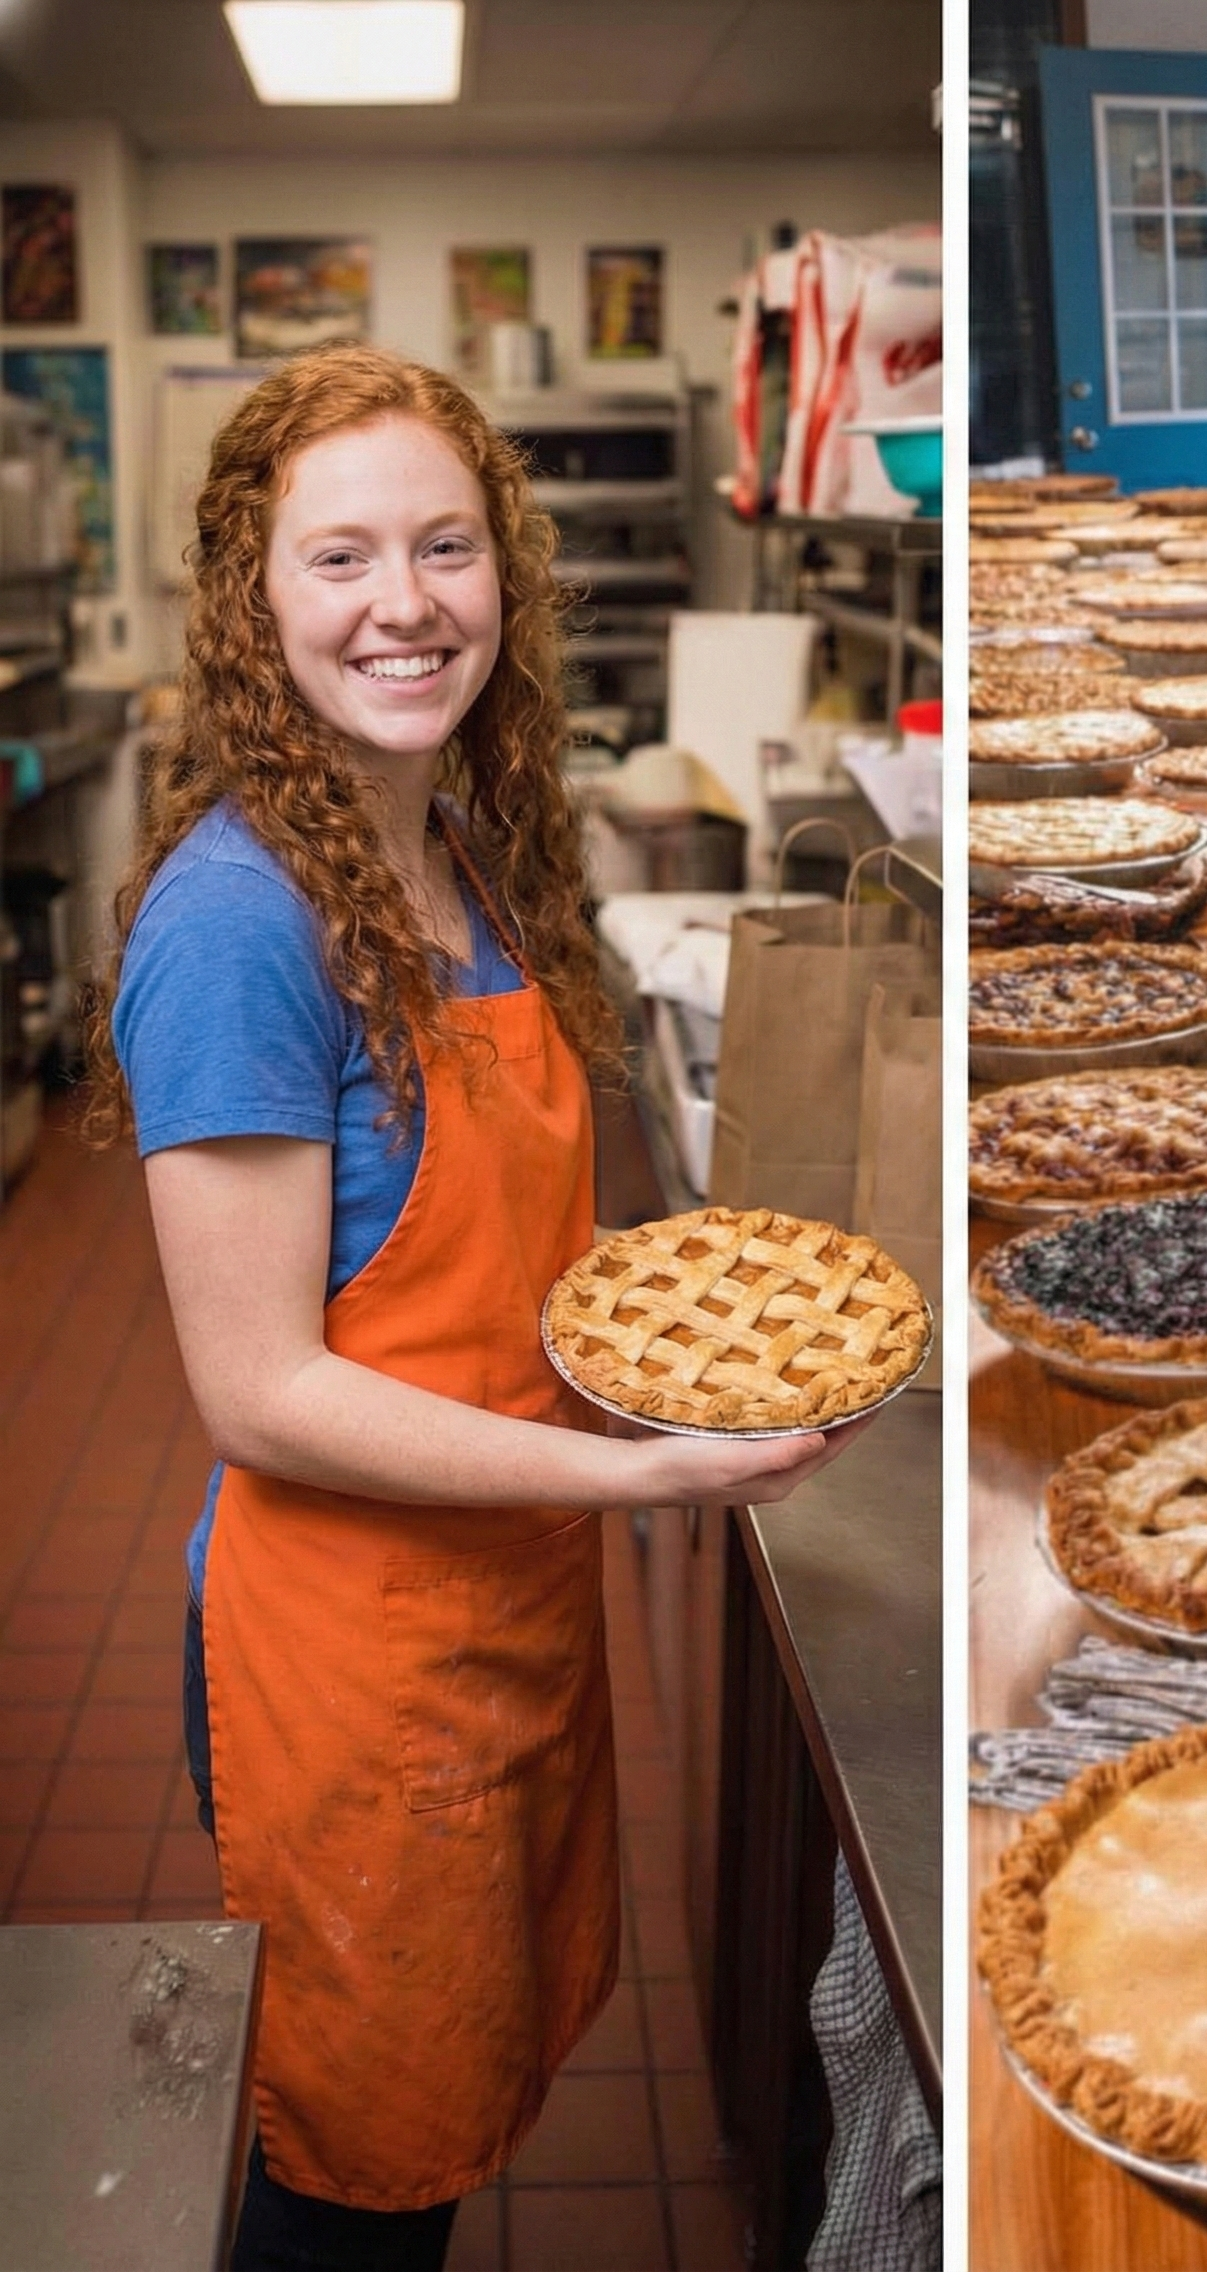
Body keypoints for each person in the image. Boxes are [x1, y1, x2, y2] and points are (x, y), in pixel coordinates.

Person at [82, 341, 861, 2271]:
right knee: (346, 2182)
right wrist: (645, 1476)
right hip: (344, 1655)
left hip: (493, 1599)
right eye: (339, 559)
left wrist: (654, 1375)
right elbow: (259, 1392)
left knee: (433, 2142)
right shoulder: (239, 923)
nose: (405, 604)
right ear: (254, 599)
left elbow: (504, 1273)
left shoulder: (465, 860)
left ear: (507, 571)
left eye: (445, 546)